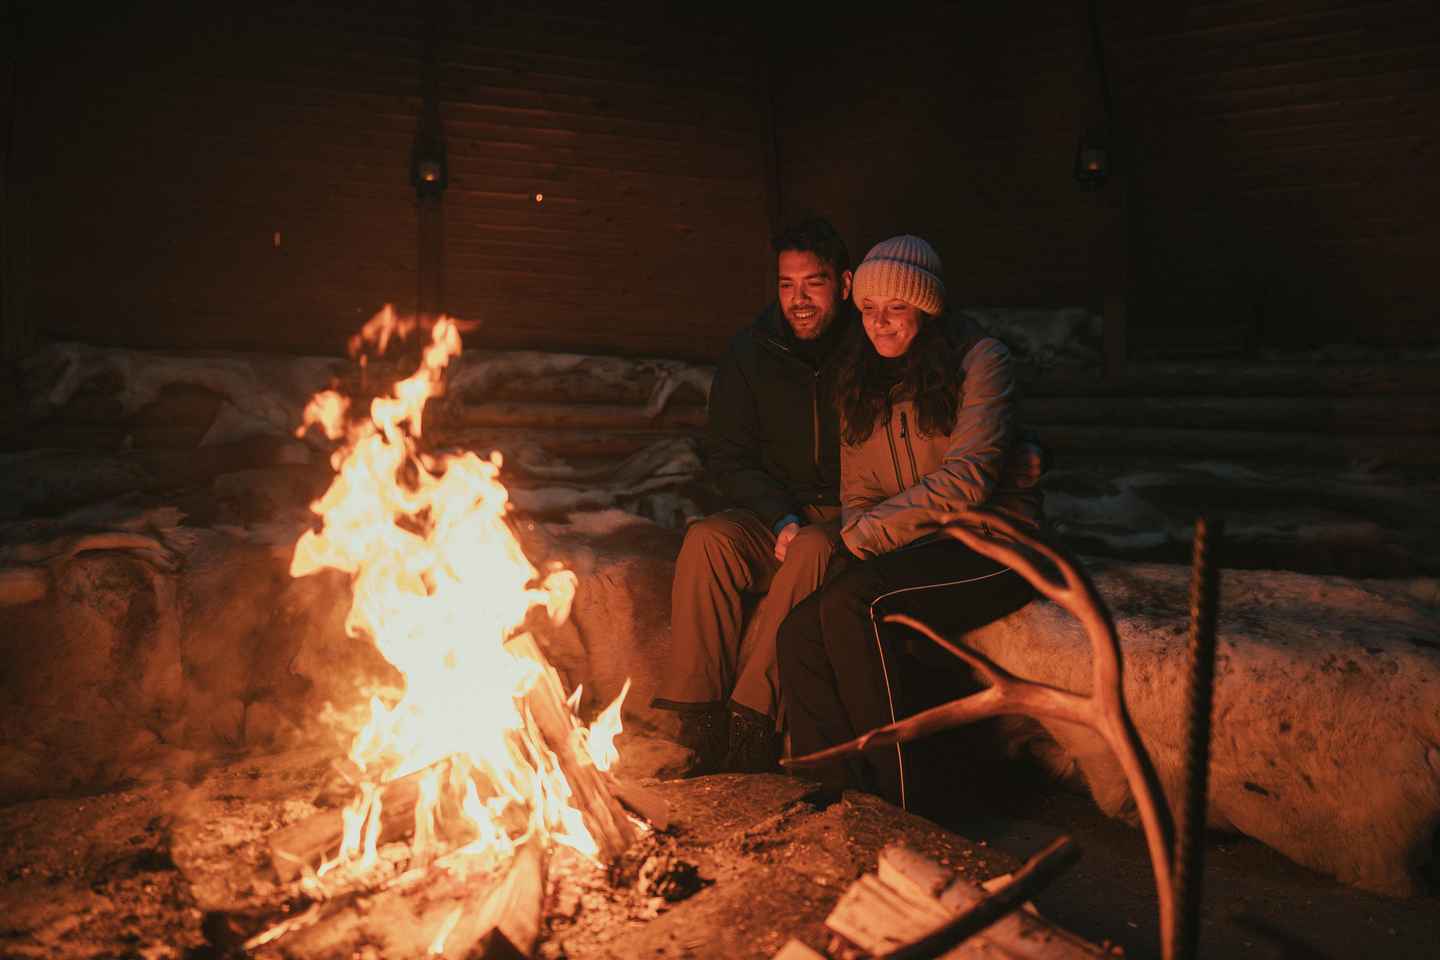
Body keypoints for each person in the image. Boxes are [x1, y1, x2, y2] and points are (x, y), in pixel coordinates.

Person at [776, 234, 1042, 808]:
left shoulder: (980, 362)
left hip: (997, 547)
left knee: (855, 605)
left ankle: (902, 802)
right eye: (869, 309)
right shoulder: (860, 379)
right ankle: (834, 796)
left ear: (927, 306)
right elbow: (860, 491)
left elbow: (968, 479)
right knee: (799, 629)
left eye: (896, 308)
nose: (880, 324)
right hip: (914, 547)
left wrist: (866, 538)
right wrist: (866, 537)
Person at [651, 218, 856, 774]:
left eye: (813, 283)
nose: (799, 300)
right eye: (787, 285)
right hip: (776, 511)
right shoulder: (752, 349)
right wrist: (778, 516)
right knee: (707, 540)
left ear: (843, 282)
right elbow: (728, 455)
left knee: (814, 546)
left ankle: (752, 720)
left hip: (849, 515)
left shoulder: (872, 345)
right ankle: (697, 718)